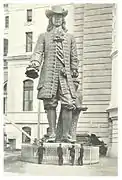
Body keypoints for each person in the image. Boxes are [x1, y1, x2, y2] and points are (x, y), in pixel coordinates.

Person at [25, 5, 78, 143]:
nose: (57, 19)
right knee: (50, 103)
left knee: (68, 103)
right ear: (50, 19)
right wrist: (34, 64)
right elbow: (38, 53)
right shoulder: (43, 37)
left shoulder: (70, 38)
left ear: (63, 19)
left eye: (60, 17)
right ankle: (53, 133)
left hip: (65, 76)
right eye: (55, 16)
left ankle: (66, 135)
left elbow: (74, 57)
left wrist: (74, 71)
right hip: (49, 74)